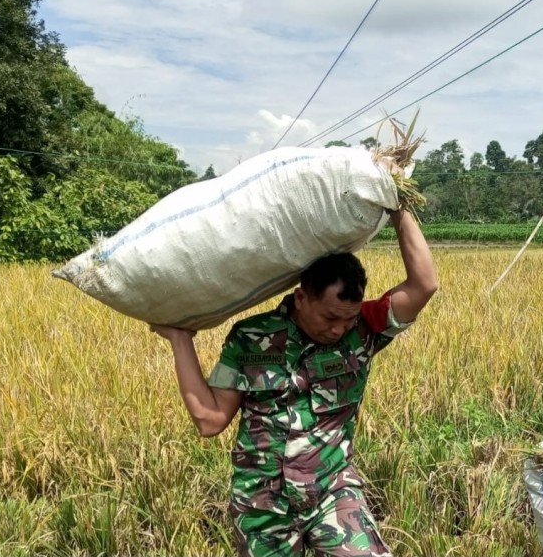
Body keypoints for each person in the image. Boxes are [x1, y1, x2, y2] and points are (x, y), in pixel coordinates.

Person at [151, 209, 437, 557]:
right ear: (302, 298)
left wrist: (398, 208)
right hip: (262, 506)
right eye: (330, 317)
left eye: (347, 319)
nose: (338, 329)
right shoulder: (251, 337)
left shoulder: (365, 328)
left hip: (332, 492)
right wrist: (181, 341)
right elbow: (209, 420)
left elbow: (424, 285)